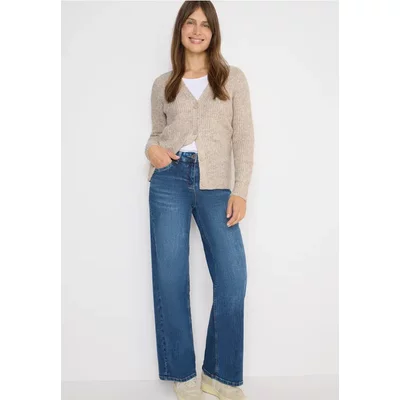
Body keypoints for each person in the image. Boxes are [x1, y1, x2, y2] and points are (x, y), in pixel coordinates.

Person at [144, 1, 254, 399]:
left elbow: (243, 137)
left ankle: (219, 376)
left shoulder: (232, 78)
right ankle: (183, 375)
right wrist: (151, 150)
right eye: (190, 23)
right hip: (169, 180)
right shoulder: (164, 83)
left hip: (217, 185)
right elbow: (156, 134)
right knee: (171, 278)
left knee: (232, 279)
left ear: (213, 32)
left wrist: (240, 190)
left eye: (204, 24)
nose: (197, 30)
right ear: (180, 29)